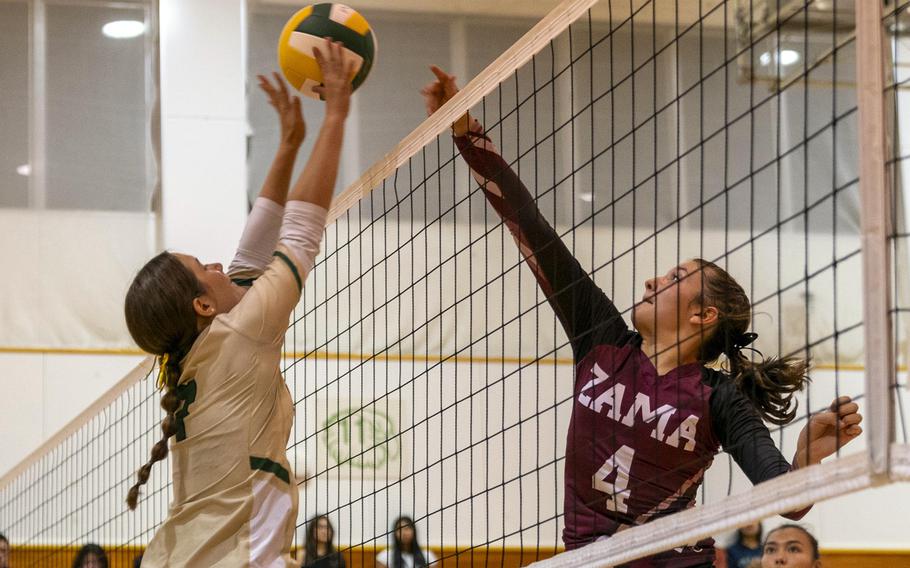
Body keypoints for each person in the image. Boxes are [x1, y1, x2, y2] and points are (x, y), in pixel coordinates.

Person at [421, 66, 863, 567]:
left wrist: (806, 458)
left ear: (704, 314)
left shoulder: (720, 399)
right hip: (586, 560)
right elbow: (532, 230)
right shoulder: (602, 341)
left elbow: (790, 501)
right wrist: (466, 135)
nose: (653, 281)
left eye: (674, 277)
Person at [123, 39, 354, 567]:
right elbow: (300, 229)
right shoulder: (242, 333)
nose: (217, 265)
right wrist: (337, 113)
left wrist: (290, 144)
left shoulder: (184, 363)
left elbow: (251, 251)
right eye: (203, 267)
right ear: (203, 306)